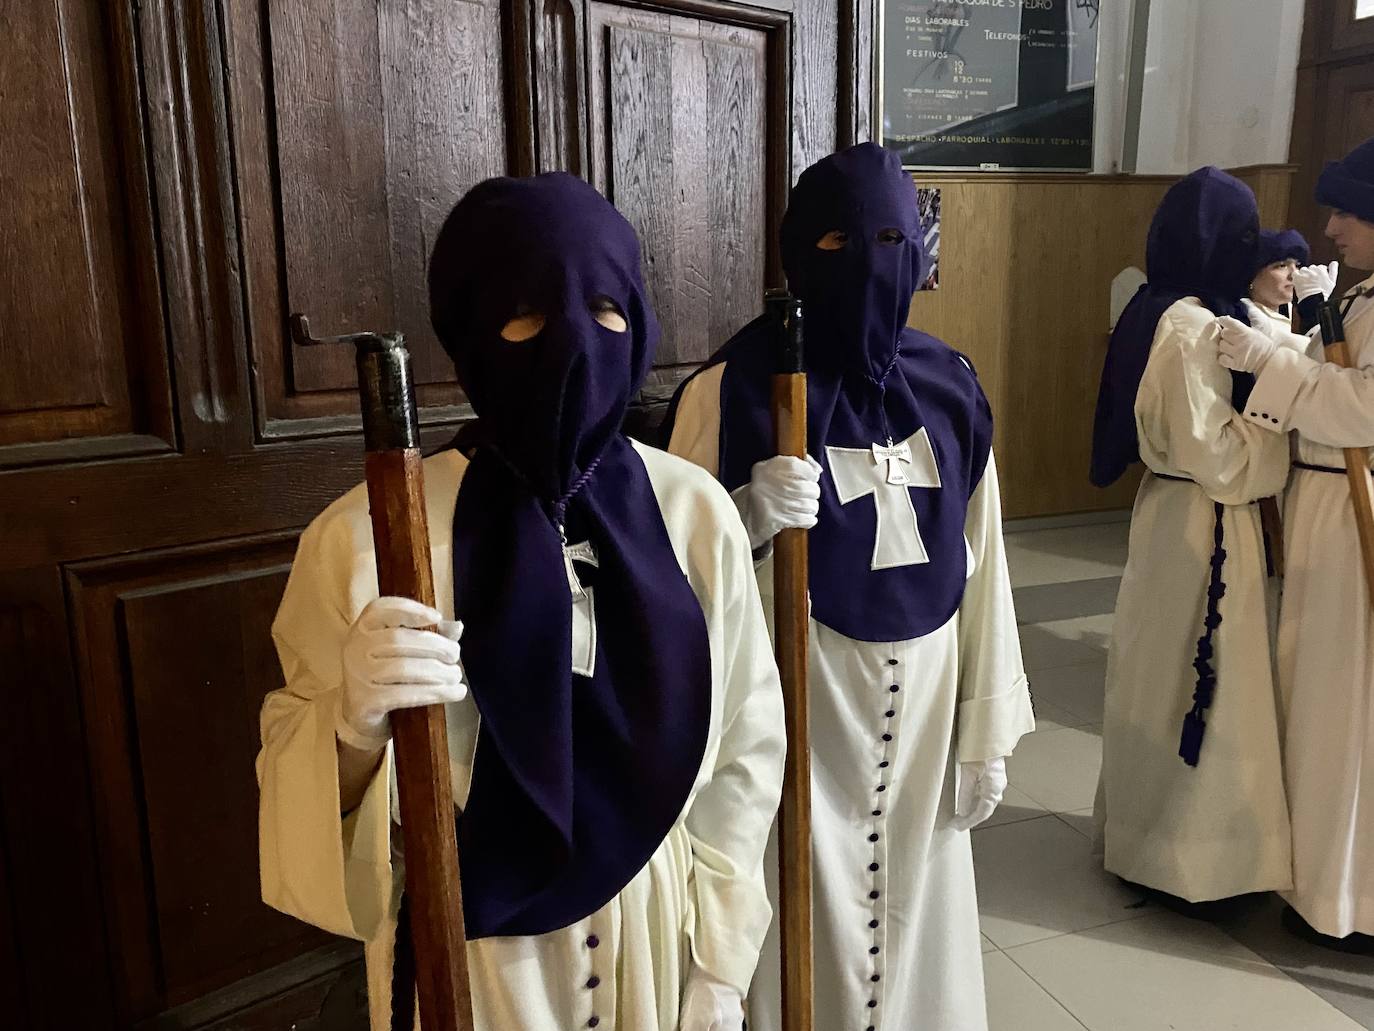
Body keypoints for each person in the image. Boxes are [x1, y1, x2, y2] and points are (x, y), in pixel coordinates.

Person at [257, 172, 788, 1030]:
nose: (576, 342)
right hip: (467, 952)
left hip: (655, 934)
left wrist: (720, 962)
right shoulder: (364, 540)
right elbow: (301, 780)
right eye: (529, 315)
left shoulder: (693, 514)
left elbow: (744, 748)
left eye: (608, 307)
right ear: (472, 333)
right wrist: (350, 724)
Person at [663, 142, 1033, 1031]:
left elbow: (985, 566)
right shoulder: (734, 388)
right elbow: (669, 579)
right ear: (797, 250)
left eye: (888, 238)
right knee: (798, 912)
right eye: (837, 244)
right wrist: (746, 520)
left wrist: (986, 724)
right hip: (798, 709)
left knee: (919, 898)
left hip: (929, 707)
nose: (867, 263)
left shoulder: (950, 386)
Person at [1090, 167, 1293, 910]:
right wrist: (1280, 429)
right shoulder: (1188, 327)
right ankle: (1185, 859)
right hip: (1203, 515)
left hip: (1182, 516)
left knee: (1161, 674)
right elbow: (1221, 456)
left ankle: (1152, 838)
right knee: (1194, 682)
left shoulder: (1177, 307)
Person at [1215, 135, 1374, 944]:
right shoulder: (1365, 294)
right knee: (1316, 695)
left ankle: (1348, 897)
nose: (1334, 228)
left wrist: (1271, 365)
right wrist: (1282, 353)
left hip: (1357, 512)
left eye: (1348, 211)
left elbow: (1363, 408)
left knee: (1345, 706)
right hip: (1325, 507)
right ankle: (1319, 878)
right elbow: (1331, 371)